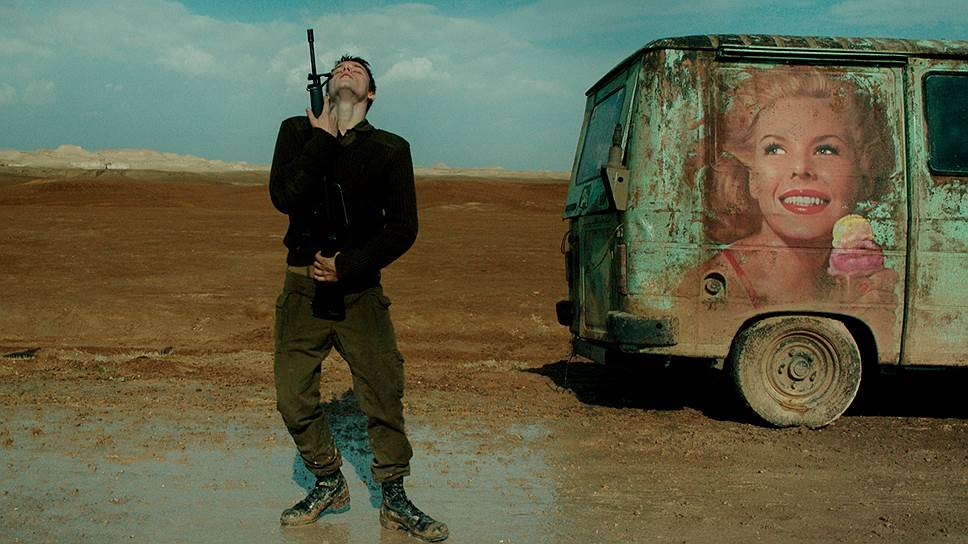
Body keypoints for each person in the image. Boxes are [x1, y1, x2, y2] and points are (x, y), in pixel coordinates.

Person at [269, 54, 448, 542]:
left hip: (360, 292)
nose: (346, 69)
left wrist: (347, 265)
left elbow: (403, 228)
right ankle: (328, 481)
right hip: (302, 289)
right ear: (326, 86)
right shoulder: (295, 132)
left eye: (358, 68)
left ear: (371, 93)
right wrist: (322, 140)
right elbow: (284, 196)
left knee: (383, 393)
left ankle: (395, 498)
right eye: (339, 67)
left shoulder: (390, 149)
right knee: (291, 397)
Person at [690, 67, 898, 309]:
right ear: (752, 178)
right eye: (775, 149)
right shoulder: (710, 288)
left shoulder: (860, 278)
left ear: (864, 174)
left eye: (826, 150)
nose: (801, 168)